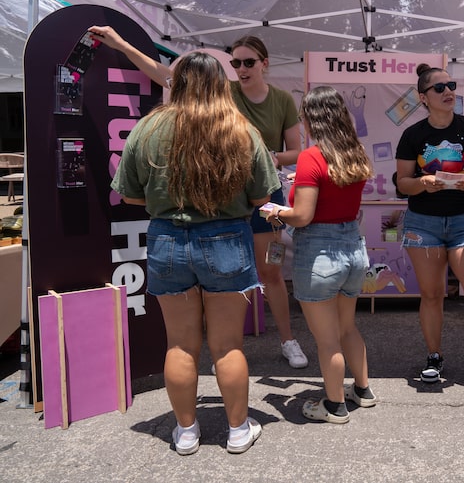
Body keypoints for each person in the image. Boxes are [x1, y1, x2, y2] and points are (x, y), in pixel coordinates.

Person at [89, 26, 309, 369]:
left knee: (271, 272)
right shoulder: (218, 90)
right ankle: (219, 352)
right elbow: (166, 75)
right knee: (212, 275)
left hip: (262, 193)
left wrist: (269, 157)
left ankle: (287, 339)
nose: (241, 68)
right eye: (235, 62)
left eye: (248, 61)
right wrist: (120, 44)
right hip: (219, 197)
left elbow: (297, 151)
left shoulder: (281, 100)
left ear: (264, 63)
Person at [111, 52, 277, 454]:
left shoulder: (149, 127)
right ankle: (238, 430)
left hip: (168, 239)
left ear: (176, 83)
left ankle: (186, 432)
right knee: (228, 345)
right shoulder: (240, 128)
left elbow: (129, 193)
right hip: (227, 240)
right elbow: (261, 196)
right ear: (221, 84)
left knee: (180, 344)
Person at [394, 64, 464, 402]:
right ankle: (434, 357)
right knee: (431, 295)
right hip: (422, 223)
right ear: (423, 98)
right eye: (439, 87)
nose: (448, 92)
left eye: (451, 85)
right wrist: (422, 184)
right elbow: (402, 183)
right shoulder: (412, 135)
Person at [263, 86, 375, 424]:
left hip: (321, 255)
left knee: (327, 341)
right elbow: (336, 192)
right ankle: (363, 391)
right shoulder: (355, 152)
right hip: (353, 250)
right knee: (347, 328)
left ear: (311, 119)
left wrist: (278, 212)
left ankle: (334, 406)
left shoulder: (312, 156)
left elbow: (303, 216)